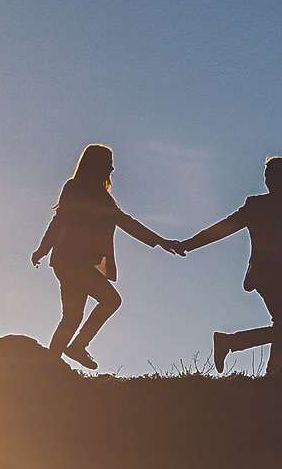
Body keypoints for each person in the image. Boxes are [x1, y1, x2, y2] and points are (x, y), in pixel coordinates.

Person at [30, 144, 185, 369]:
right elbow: (60, 220)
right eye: (108, 163)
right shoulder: (77, 188)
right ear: (96, 164)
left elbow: (125, 222)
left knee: (73, 316)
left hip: (72, 262)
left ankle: (53, 362)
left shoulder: (99, 195)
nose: (112, 168)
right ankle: (73, 349)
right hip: (71, 261)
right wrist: (42, 250)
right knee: (109, 301)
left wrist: (162, 242)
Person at [182, 156, 282, 375]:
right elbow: (224, 227)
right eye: (265, 177)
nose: (266, 181)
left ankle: (234, 346)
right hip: (264, 273)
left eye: (270, 176)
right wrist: (189, 245)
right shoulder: (257, 205)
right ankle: (269, 366)